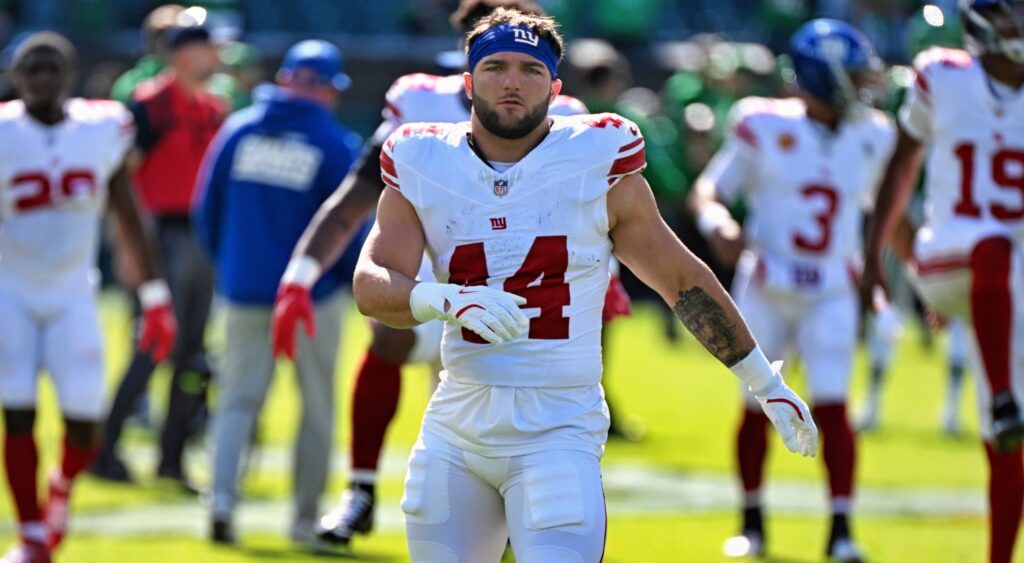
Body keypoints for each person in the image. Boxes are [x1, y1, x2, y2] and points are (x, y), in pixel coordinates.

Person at [348, 8, 817, 561]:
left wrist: (764, 381)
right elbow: (372, 284)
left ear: (556, 85)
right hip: (455, 427)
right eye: (496, 67)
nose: (512, 82)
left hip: (558, 429)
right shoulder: (422, 157)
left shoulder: (595, 159)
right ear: (468, 81)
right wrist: (441, 297)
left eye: (531, 69)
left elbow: (681, 279)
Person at [270, 0, 601, 547]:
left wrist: (606, 282)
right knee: (390, 341)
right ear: (469, 56)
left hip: (532, 292)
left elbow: (599, 216)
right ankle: (361, 487)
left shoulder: (567, 120)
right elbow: (354, 197)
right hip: (437, 276)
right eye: (496, 56)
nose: (513, 74)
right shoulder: (419, 109)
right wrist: (300, 276)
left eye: (529, 60)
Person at [691, 20, 895, 561]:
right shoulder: (759, 123)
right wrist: (717, 224)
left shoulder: (875, 132)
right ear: (823, 77)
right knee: (755, 404)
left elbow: (888, 211)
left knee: (833, 406)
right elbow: (710, 190)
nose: (864, 83)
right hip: (767, 279)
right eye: (852, 74)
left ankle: (842, 530)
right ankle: (752, 523)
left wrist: (915, 259)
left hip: (831, 285)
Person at [0, 32, 176, 562]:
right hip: (11, 290)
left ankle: (61, 487)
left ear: (69, 77)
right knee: (18, 412)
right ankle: (31, 531)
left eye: (52, 69)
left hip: (76, 291)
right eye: (33, 69)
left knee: (85, 423)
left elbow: (127, 209)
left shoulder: (100, 129)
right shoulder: (5, 131)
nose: (43, 79)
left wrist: (154, 294)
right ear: (16, 77)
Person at [862, 2, 1024, 561]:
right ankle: (1003, 397)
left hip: (1008, 287)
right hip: (946, 253)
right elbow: (901, 169)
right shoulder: (945, 76)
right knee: (992, 245)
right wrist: (875, 257)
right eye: (1014, 10)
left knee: (1006, 444)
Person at [192, 39, 362, 549]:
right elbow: (349, 228)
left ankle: (221, 502)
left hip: (244, 288)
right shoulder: (334, 143)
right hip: (314, 296)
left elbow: (207, 212)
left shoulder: (238, 129)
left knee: (237, 402)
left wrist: (233, 267)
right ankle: (303, 522)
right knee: (316, 408)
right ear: (323, 87)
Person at [91, 20, 225, 489]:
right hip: (159, 235)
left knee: (191, 355)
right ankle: (104, 450)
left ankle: (172, 457)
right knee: (151, 346)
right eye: (210, 48)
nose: (218, 56)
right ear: (187, 54)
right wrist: (129, 247)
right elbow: (119, 180)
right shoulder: (150, 104)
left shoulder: (213, 106)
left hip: (199, 235)